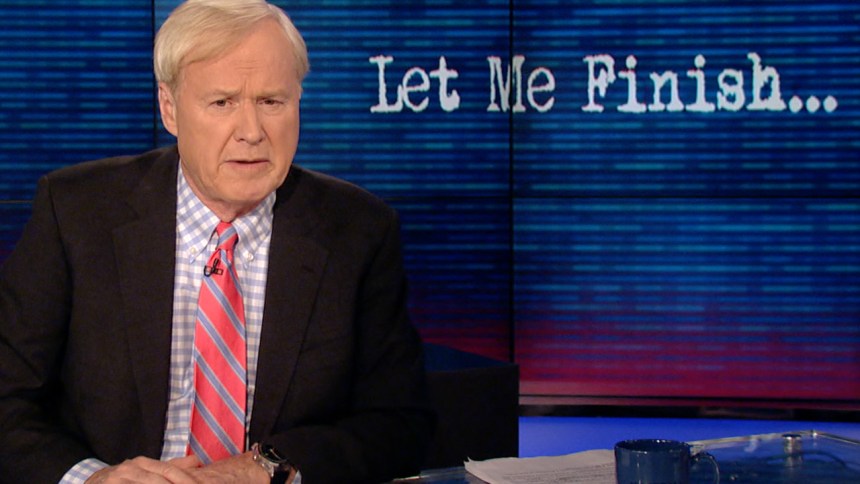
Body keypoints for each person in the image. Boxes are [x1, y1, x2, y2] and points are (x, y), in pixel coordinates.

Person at [0, 0, 434, 482]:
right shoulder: (76, 214)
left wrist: (266, 468)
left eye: (271, 102)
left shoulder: (358, 231)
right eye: (222, 102)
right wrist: (92, 478)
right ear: (169, 108)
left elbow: (399, 423)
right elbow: (8, 400)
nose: (251, 132)